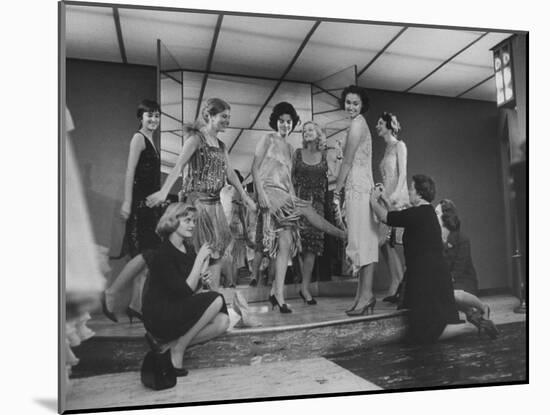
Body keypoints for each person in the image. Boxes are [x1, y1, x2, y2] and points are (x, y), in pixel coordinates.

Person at [370, 175, 497, 343]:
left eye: (412, 188)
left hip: (427, 277)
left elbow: (386, 217)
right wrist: (384, 199)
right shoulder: (425, 212)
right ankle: (476, 323)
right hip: (431, 274)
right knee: (433, 321)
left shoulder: (418, 213)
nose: (409, 191)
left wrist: (372, 200)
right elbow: (395, 215)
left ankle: (474, 327)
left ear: (419, 192)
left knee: (428, 332)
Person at [252, 102, 346, 313]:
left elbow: (288, 178)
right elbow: (254, 168)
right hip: (270, 194)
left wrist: (295, 198)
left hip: (286, 194)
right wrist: (261, 195)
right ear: (275, 121)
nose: (285, 125)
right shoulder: (268, 138)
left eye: (289, 122)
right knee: (294, 229)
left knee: (285, 243)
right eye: (281, 121)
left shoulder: (289, 148)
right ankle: (342, 234)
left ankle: (277, 294)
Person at [141, 202, 229, 375]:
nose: (193, 225)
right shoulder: (163, 252)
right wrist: (199, 261)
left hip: (176, 307)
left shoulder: (187, 248)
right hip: (160, 315)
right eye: (187, 220)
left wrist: (201, 279)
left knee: (223, 322)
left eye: (193, 221)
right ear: (173, 221)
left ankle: (169, 346)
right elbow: (183, 291)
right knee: (217, 298)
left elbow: (189, 289)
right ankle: (178, 349)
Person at [333, 85, 378, 316]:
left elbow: (347, 162)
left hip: (358, 188)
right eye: (348, 102)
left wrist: (336, 191)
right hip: (357, 188)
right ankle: (362, 295)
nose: (351, 106)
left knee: (363, 243)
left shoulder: (358, 123)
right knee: (360, 243)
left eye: (355, 103)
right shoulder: (357, 124)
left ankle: (367, 295)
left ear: (361, 106)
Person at [117, 99, 163, 322]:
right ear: (141, 118)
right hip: (138, 206)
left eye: (156, 115)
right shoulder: (138, 138)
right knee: (143, 257)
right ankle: (130, 303)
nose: (153, 119)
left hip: (150, 208)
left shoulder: (152, 141)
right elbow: (129, 171)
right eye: (149, 116)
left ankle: (136, 306)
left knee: (147, 260)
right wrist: (127, 202)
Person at [436, 199, 497, 334]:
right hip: (447, 280)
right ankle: (476, 319)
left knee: (450, 294)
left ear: (445, 216)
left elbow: (460, 268)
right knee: (441, 294)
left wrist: (445, 281)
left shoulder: (461, 238)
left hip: (464, 280)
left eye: (437, 213)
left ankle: (481, 309)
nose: (434, 216)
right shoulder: (437, 238)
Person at [291, 121, 328, 305]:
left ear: (318, 132)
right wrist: (291, 200)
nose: (307, 132)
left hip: (317, 206)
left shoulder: (325, 154)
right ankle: (298, 278)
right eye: (304, 130)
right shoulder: (297, 153)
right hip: (298, 203)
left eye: (310, 129)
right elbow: (290, 178)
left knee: (311, 249)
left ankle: (305, 288)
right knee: (296, 245)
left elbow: (335, 176)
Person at [375, 112, 409, 304]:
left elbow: (402, 173)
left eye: (380, 123)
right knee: (385, 243)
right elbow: (386, 176)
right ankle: (396, 282)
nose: (377, 126)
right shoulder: (386, 148)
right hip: (385, 198)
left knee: (392, 242)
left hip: (397, 199)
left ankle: (399, 284)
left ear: (389, 125)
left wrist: (396, 195)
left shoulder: (399, 145)